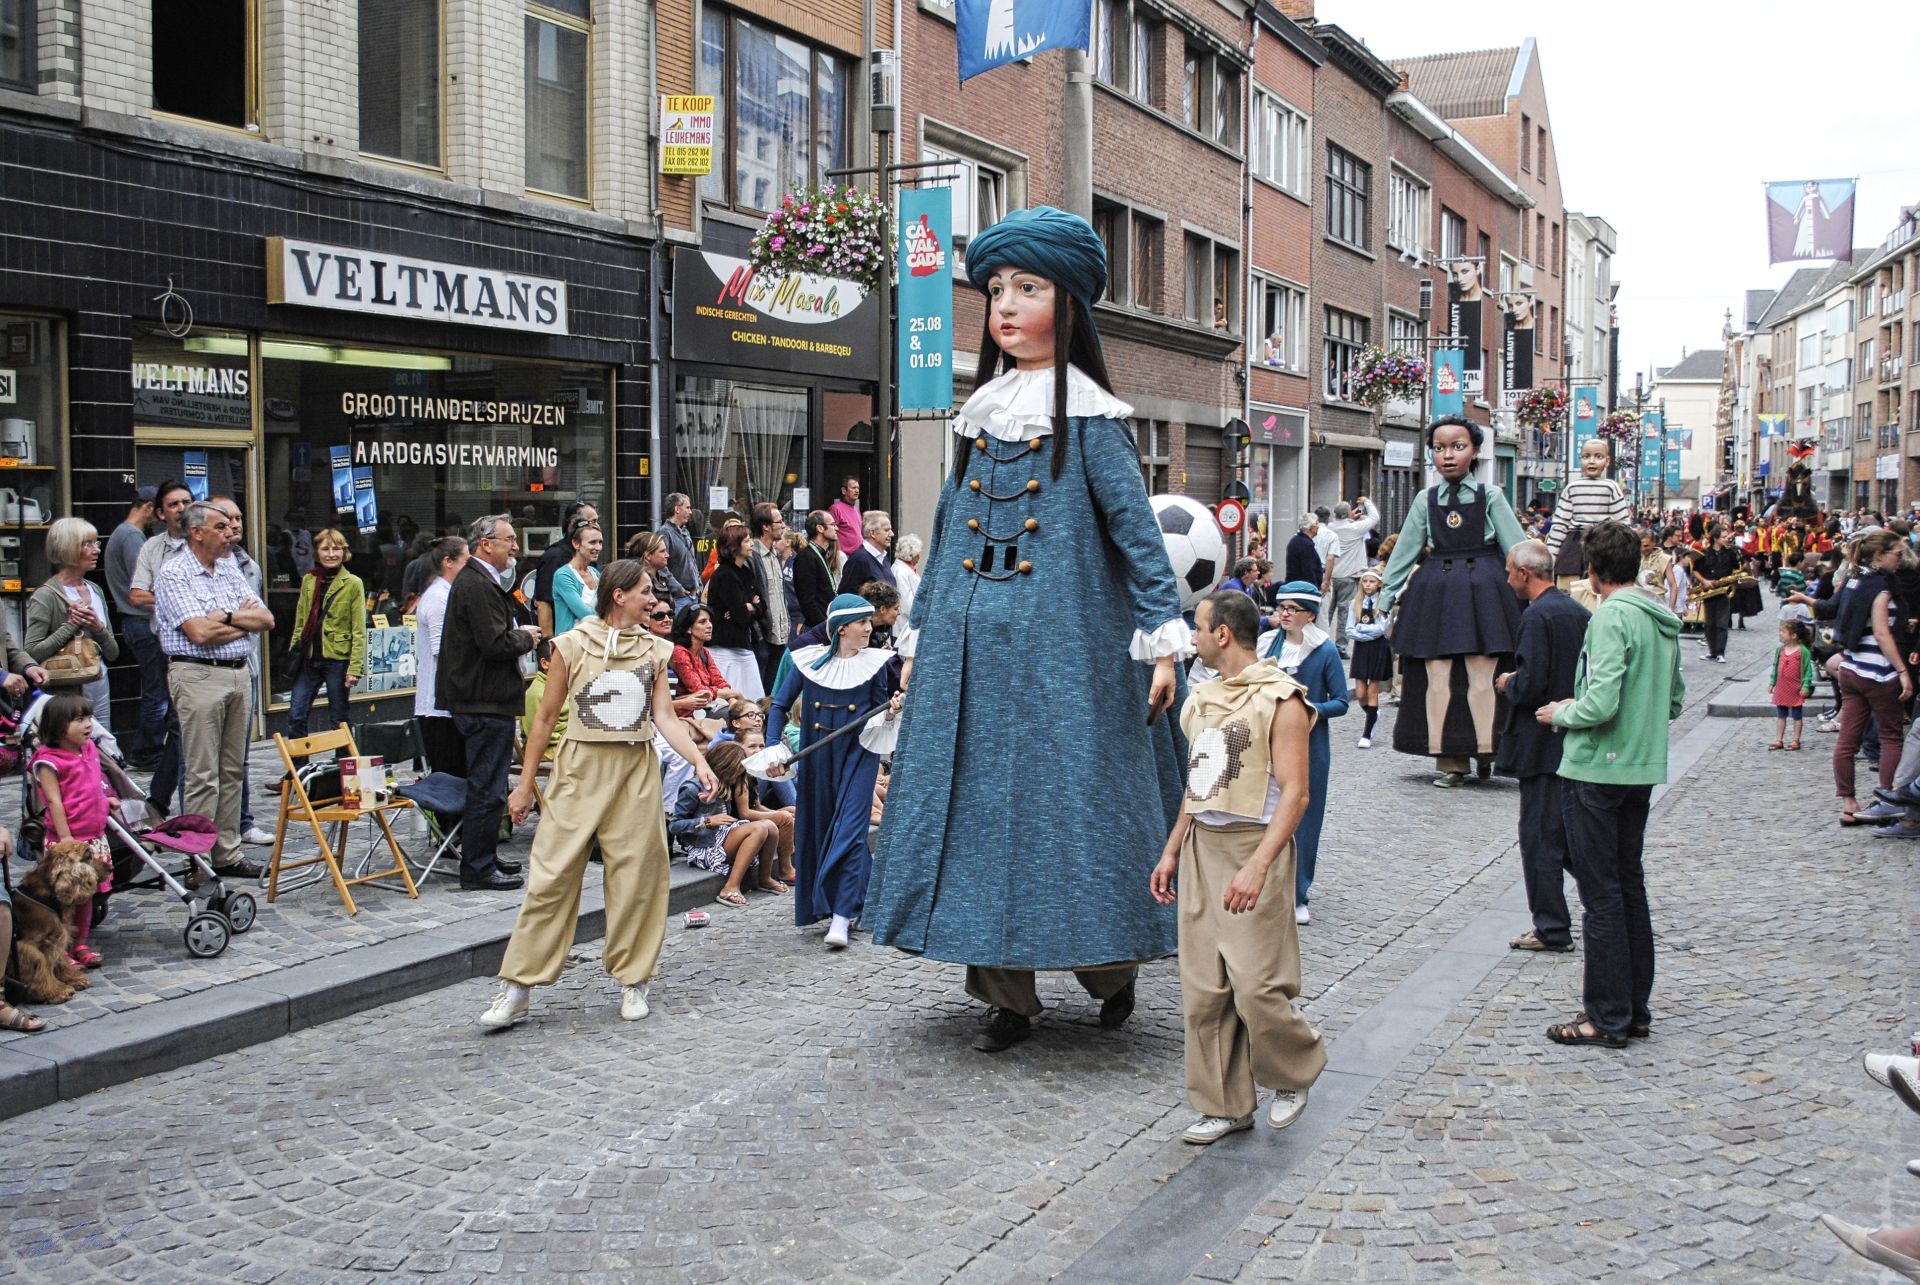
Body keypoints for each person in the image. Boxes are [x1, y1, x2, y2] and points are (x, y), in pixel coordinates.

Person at [866, 206, 1190, 1054]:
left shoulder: (1093, 422)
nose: (1005, 306)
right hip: (973, 661)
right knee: (976, 823)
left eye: (1028, 288)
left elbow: (1140, 539)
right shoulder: (981, 413)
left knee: (1075, 819)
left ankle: (1110, 969)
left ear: (1068, 302)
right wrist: (920, 641)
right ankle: (1005, 995)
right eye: (997, 290)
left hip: (1067, 662)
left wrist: (1163, 639)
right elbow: (949, 532)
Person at [482, 561, 719, 1030]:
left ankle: (634, 978)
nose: (653, 600)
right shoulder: (571, 644)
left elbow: (664, 716)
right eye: (645, 591)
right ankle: (518, 986)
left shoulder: (654, 649)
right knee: (551, 874)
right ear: (619, 595)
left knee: (637, 877)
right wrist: (525, 784)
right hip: (579, 767)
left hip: (634, 768)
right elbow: (544, 717)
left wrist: (698, 759)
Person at [1152, 589, 1322, 1144]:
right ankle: (1225, 1106)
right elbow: (1198, 784)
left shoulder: (1282, 699)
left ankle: (1294, 1070)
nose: (1193, 637)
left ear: (1222, 634)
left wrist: (1259, 865)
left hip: (1255, 847)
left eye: (1199, 628)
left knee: (1256, 985)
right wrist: (1173, 848)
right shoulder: (1202, 698)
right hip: (1203, 847)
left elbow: (1296, 794)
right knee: (1204, 990)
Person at [1536, 521, 1683, 1048]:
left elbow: (1599, 702)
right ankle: (1633, 1008)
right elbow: (1674, 699)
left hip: (1597, 768)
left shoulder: (1610, 617)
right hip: (1641, 766)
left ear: (1593, 570)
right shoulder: (1659, 617)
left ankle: (1606, 1016)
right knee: (1627, 888)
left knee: (1600, 897)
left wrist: (1560, 712)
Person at [1378, 416, 1527, 786]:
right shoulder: (1425, 500)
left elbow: (1517, 548)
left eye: (1457, 447)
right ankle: (1450, 762)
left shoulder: (1491, 496)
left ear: (1474, 452)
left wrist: (1537, 591)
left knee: (1484, 675)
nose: (1447, 455)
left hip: (1486, 592)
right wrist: (1384, 596)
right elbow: (1405, 551)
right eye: (1439, 448)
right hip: (1436, 595)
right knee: (1437, 676)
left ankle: (1488, 750)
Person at [768, 593, 903, 949]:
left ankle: (841, 917)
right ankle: (865, 900)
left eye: (869, 621)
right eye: (862, 622)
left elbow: (877, 711)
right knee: (823, 827)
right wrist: (773, 747)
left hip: (859, 755)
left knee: (851, 831)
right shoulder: (807, 661)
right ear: (841, 628)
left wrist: (890, 711)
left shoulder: (876, 663)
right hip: (818, 756)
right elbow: (779, 704)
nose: (869, 628)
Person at [150, 501, 274, 879]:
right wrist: (241, 624)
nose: (229, 532)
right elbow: (199, 633)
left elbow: (265, 619)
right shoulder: (174, 574)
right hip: (197, 675)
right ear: (197, 532)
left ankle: (228, 853)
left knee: (233, 770)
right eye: (220, 527)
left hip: (238, 674)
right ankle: (198, 860)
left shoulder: (229, 567)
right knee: (202, 773)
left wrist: (228, 617)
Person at [1493, 540, 1589, 954]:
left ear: (1524, 573)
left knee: (1540, 839)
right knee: (1565, 836)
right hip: (1573, 738)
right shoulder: (1578, 612)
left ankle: (1551, 927)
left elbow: (1531, 683)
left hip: (1541, 741)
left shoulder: (1535, 617)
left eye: (1509, 571)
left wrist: (1508, 682)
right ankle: (1600, 902)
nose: (1506, 578)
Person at [437, 514, 541, 891]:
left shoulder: (480, 580)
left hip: (484, 697)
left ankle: (484, 855)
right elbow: (494, 643)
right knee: (487, 785)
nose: (514, 547)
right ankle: (478, 866)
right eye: (508, 540)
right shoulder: (477, 583)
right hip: (482, 699)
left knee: (491, 783)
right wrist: (526, 638)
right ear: (486, 544)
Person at [1789, 529, 1911, 824]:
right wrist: (1902, 671)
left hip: (1851, 667)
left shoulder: (1854, 580)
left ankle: (1849, 804)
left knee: (1847, 741)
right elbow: (1881, 633)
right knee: (1891, 737)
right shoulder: (1881, 588)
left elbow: (1831, 609)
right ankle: (1887, 801)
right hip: (1878, 671)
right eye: (1897, 553)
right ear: (1880, 555)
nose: (1901, 558)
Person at [1260, 582, 1347, 925]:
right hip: (1267, 742)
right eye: (1281, 607)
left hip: (1309, 746)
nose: (1284, 614)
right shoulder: (1267, 644)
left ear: (1309, 615)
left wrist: (1308, 710)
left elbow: (1341, 701)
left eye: (1292, 609)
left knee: (1304, 820)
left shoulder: (1324, 650)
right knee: (1263, 813)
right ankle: (1265, 886)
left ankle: (1298, 894)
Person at [30, 693, 115, 970]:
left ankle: (81, 943)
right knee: (65, 897)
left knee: (86, 895)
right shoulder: (49, 761)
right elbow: (53, 801)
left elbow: (95, 782)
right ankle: (61, 946)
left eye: (88, 717)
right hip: (67, 840)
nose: (88, 724)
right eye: (79, 719)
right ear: (58, 727)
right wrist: (66, 839)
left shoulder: (89, 748)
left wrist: (107, 798)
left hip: (94, 836)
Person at [26, 517, 121, 759]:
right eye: (87, 544)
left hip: (98, 679)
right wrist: (70, 625)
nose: (96, 550)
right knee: (71, 753)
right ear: (68, 547)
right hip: (66, 690)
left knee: (104, 747)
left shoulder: (95, 590)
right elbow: (32, 652)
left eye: (96, 543)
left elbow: (113, 653)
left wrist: (97, 627)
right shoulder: (46, 596)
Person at [127, 479, 194, 807]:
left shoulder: (205, 542)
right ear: (160, 513)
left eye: (186, 502)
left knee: (180, 725)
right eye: (173, 504)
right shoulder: (152, 548)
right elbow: (138, 594)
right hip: (168, 646)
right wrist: (180, 603)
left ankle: (158, 801)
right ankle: (162, 802)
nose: (181, 509)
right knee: (179, 724)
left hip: (206, 646)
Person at [671, 739, 786, 906]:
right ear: (724, 767)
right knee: (758, 829)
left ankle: (765, 878)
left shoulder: (726, 784)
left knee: (770, 826)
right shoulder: (692, 788)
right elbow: (674, 826)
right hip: (705, 846)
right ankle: (730, 886)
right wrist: (707, 821)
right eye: (736, 772)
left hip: (723, 836)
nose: (738, 777)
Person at [284, 528, 367, 748]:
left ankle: (345, 766)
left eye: (336, 549)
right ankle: (299, 767)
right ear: (317, 553)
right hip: (308, 658)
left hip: (337, 660)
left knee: (339, 718)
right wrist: (294, 653)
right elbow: (300, 621)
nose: (331, 554)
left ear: (344, 552)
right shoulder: (309, 580)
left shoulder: (353, 583)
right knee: (297, 713)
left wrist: (355, 667)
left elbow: (359, 629)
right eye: (325, 549)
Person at [103, 486, 156, 762]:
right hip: (141, 620)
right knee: (157, 691)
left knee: (155, 688)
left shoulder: (122, 534)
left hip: (133, 620)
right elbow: (143, 580)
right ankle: (147, 751)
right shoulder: (132, 536)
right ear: (148, 507)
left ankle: (147, 749)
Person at [1545, 440, 1630, 609]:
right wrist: (1549, 559)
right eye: (1586, 456)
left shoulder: (1611, 487)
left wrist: (1622, 555)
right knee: (1568, 594)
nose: (1591, 461)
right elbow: (1560, 525)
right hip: (1572, 547)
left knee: (1602, 596)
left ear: (1607, 461)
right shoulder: (1571, 488)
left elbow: (1622, 525)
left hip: (1603, 545)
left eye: (1598, 457)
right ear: (1580, 460)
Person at [412, 536, 469, 776]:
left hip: (448, 700)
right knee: (449, 773)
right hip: (438, 704)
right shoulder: (438, 597)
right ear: (449, 562)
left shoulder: (448, 593)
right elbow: (441, 649)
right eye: (466, 560)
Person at [704, 525, 766, 700]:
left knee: (753, 697)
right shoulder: (725, 575)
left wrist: (749, 607)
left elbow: (762, 607)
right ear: (734, 546)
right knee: (729, 698)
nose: (751, 544)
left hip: (743, 643)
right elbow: (741, 616)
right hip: (724, 646)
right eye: (746, 541)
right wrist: (748, 607)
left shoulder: (745, 572)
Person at [532, 501, 597, 636]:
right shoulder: (554, 557)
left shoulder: (592, 565)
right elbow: (543, 603)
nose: (596, 527)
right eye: (591, 522)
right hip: (566, 637)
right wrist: (548, 642)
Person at [1323, 498, 1379, 649]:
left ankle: (1322, 642)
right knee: (1344, 612)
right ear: (1348, 513)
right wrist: (1367, 502)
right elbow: (1374, 517)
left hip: (1330, 576)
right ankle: (1340, 646)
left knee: (1327, 612)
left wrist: (1350, 518)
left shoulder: (1329, 528)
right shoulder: (1356, 528)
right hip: (1349, 576)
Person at [747, 503, 792, 691]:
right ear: (766, 526)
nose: (783, 525)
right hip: (762, 636)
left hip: (780, 635)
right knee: (760, 690)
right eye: (779, 522)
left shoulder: (775, 555)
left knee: (774, 691)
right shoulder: (752, 556)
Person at [1347, 567, 1392, 748]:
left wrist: (1361, 629)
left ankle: (1366, 734)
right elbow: (1350, 629)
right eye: (1365, 581)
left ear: (1379, 584)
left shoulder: (1383, 604)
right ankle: (1373, 714)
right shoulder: (1355, 603)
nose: (1368, 585)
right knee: (1360, 693)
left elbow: (1381, 628)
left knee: (1372, 690)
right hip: (1361, 648)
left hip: (1378, 648)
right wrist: (1364, 633)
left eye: (1372, 581)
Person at [670, 604, 742, 707]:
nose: (709, 625)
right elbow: (699, 690)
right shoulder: (679, 652)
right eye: (702, 622)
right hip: (689, 710)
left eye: (709, 621)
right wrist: (734, 694)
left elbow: (719, 681)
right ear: (689, 628)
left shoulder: (704, 652)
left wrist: (731, 699)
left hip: (709, 705)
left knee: (745, 710)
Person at [1690, 524, 1740, 663]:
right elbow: (1695, 571)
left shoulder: (1730, 552)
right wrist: (1704, 581)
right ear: (1715, 538)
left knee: (1722, 623)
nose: (1726, 539)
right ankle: (1712, 651)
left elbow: (1737, 569)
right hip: (1709, 590)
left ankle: (1720, 652)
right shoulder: (1705, 553)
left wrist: (1734, 579)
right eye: (1723, 537)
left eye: (1726, 536)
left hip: (1724, 590)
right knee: (1710, 623)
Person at [1769, 617, 1814, 752]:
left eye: (1783, 631)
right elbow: (1775, 666)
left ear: (1793, 635)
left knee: (1797, 715)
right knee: (1781, 715)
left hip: (1796, 688)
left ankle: (1796, 740)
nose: (1780, 634)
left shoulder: (1803, 651)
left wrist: (1805, 686)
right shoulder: (1780, 650)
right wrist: (1772, 682)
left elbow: (1807, 671)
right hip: (1782, 688)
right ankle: (1779, 740)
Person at [550, 520, 602, 636]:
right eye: (592, 542)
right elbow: (586, 614)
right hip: (570, 642)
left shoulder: (595, 573)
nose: (598, 547)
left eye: (600, 542)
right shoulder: (563, 575)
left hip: (594, 640)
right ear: (576, 544)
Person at [791, 510, 839, 630]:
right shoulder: (806, 557)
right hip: (819, 628)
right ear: (820, 528)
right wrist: (824, 625)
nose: (837, 528)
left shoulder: (821, 554)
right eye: (832, 525)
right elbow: (807, 601)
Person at [656, 493, 701, 612]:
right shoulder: (665, 533)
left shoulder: (685, 532)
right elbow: (661, 566)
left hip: (693, 596)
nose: (690, 512)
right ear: (677, 509)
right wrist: (678, 588)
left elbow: (692, 561)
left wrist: (698, 584)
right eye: (687, 508)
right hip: (679, 599)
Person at [837, 509, 896, 596]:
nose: (892, 534)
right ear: (873, 533)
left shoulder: (883, 557)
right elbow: (847, 595)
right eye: (886, 530)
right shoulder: (859, 559)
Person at [1283, 514, 1323, 589]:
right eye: (1316, 523)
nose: (1318, 526)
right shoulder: (1306, 545)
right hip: (1303, 588)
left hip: (1293, 585)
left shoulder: (1295, 540)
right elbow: (1308, 569)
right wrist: (1313, 589)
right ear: (1310, 527)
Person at [829, 476, 864, 556]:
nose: (857, 491)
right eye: (853, 488)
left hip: (857, 556)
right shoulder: (835, 509)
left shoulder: (856, 509)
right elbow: (830, 533)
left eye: (858, 488)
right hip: (844, 556)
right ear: (844, 491)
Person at [893, 533, 925, 618]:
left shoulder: (905, 569)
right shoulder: (900, 572)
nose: (919, 557)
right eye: (917, 554)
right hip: (906, 620)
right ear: (911, 555)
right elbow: (907, 604)